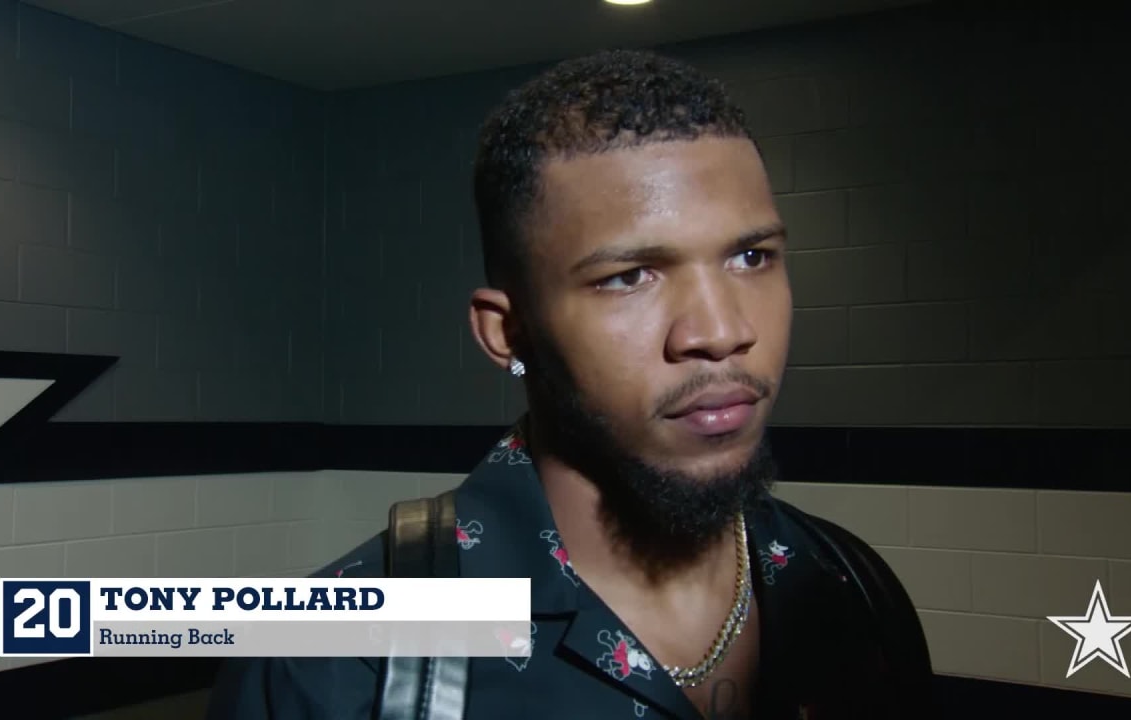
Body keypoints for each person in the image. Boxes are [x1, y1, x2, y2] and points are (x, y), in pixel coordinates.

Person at [207, 49, 932, 719]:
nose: (719, 330)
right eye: (629, 276)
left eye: (750, 256)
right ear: (507, 333)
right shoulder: (334, 659)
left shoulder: (848, 590)